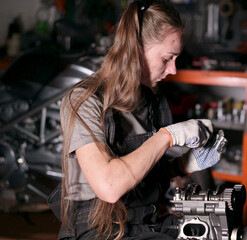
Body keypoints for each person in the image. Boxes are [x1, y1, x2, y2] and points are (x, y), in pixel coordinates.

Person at [52, 0, 224, 239]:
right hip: (99, 230)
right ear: (135, 49)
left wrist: (184, 165)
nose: (173, 69)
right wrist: (168, 136)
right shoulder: (84, 101)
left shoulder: (151, 102)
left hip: (143, 224)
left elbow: (145, 172)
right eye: (167, 59)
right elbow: (109, 186)